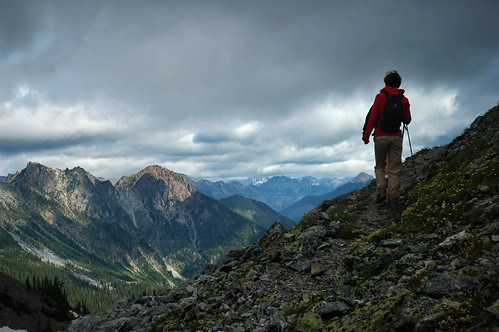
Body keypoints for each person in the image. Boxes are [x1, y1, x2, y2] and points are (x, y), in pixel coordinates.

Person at [362, 70, 411, 204]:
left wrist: (366, 137)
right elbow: (407, 120)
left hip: (380, 137)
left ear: (386, 83)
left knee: (380, 166)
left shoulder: (380, 97)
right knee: (394, 169)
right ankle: (394, 196)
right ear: (398, 83)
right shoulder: (404, 99)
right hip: (396, 137)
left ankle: (381, 191)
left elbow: (372, 117)